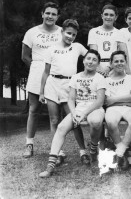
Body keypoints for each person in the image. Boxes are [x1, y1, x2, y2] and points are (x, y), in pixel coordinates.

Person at [39, 49, 106, 178]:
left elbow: (100, 101)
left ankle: (93, 148)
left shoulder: (100, 78)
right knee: (61, 127)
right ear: (83, 60)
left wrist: (84, 113)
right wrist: (74, 113)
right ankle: (50, 166)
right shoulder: (76, 77)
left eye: (94, 60)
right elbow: (70, 99)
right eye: (88, 58)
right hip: (79, 109)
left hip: (95, 108)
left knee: (96, 121)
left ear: (98, 64)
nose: (90, 62)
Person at [39, 19, 89, 165]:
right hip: (53, 85)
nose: (70, 37)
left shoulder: (78, 47)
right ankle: (58, 152)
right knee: (54, 120)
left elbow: (92, 57)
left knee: (75, 120)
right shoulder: (51, 49)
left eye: (73, 35)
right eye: (68, 33)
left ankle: (83, 151)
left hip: (70, 85)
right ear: (61, 32)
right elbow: (46, 72)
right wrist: (41, 92)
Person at [21, 2, 62, 158]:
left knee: (56, 113)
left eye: (54, 14)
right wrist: (38, 68)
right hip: (38, 71)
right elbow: (24, 56)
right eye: (48, 13)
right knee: (34, 109)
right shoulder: (32, 32)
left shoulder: (62, 32)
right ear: (42, 14)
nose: (50, 16)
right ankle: (29, 144)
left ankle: (57, 148)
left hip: (57, 73)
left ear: (58, 16)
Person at [104, 50, 131, 171]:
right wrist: (124, 99)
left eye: (122, 61)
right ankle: (121, 152)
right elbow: (107, 101)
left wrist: (115, 99)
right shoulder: (106, 80)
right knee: (110, 122)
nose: (119, 63)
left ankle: (120, 152)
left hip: (129, 108)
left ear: (125, 62)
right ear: (111, 63)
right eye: (116, 61)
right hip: (113, 109)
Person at [88, 4, 125, 77]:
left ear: (116, 17)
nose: (108, 17)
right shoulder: (93, 31)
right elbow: (93, 52)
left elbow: (122, 53)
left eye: (111, 15)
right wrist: (98, 69)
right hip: (97, 67)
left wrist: (109, 67)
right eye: (106, 14)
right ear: (102, 16)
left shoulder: (120, 33)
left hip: (114, 67)